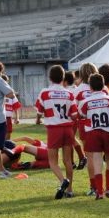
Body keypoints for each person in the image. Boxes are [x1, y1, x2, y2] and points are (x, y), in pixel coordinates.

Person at [35, 65, 78, 199]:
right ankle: (70, 190)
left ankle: (62, 181)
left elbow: (39, 111)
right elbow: (74, 114)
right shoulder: (69, 94)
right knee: (68, 161)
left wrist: (38, 120)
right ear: (63, 78)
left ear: (50, 78)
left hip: (54, 129)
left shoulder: (45, 93)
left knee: (53, 161)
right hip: (68, 129)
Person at [74, 63, 109, 195]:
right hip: (103, 124)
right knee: (101, 156)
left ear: (81, 74)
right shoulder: (103, 88)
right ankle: (106, 185)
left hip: (86, 125)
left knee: (90, 157)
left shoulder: (78, 90)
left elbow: (75, 110)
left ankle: (94, 187)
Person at [2, 75, 21, 140]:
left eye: (6, 83)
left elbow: (16, 106)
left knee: (8, 133)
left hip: (8, 117)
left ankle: (6, 146)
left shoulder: (11, 94)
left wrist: (17, 118)